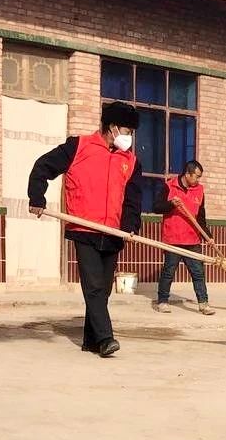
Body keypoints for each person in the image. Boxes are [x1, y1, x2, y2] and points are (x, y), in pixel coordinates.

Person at [27, 101, 142, 358]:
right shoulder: (78, 146)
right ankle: (106, 338)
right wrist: (37, 197)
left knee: (103, 290)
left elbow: (133, 199)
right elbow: (43, 167)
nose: (130, 137)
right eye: (127, 131)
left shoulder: (131, 161)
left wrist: (130, 226)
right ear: (112, 128)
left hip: (113, 232)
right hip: (84, 228)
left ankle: (92, 341)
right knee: (93, 286)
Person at [153, 160, 216, 315]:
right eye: (197, 176)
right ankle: (162, 301)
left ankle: (203, 303)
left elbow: (201, 217)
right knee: (168, 272)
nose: (198, 180)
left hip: (192, 240)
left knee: (198, 273)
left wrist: (208, 236)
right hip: (173, 239)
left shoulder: (199, 190)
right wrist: (171, 204)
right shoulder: (169, 186)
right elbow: (156, 207)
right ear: (187, 174)